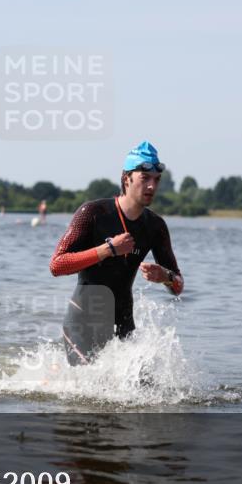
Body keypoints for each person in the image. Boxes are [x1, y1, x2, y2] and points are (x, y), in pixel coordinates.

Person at [50, 141, 183, 365]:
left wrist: (165, 277)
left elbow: (178, 286)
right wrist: (107, 250)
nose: (152, 186)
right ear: (126, 179)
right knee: (90, 384)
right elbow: (57, 265)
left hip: (123, 323)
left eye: (156, 180)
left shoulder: (155, 226)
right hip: (83, 322)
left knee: (144, 383)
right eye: (145, 178)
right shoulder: (92, 213)